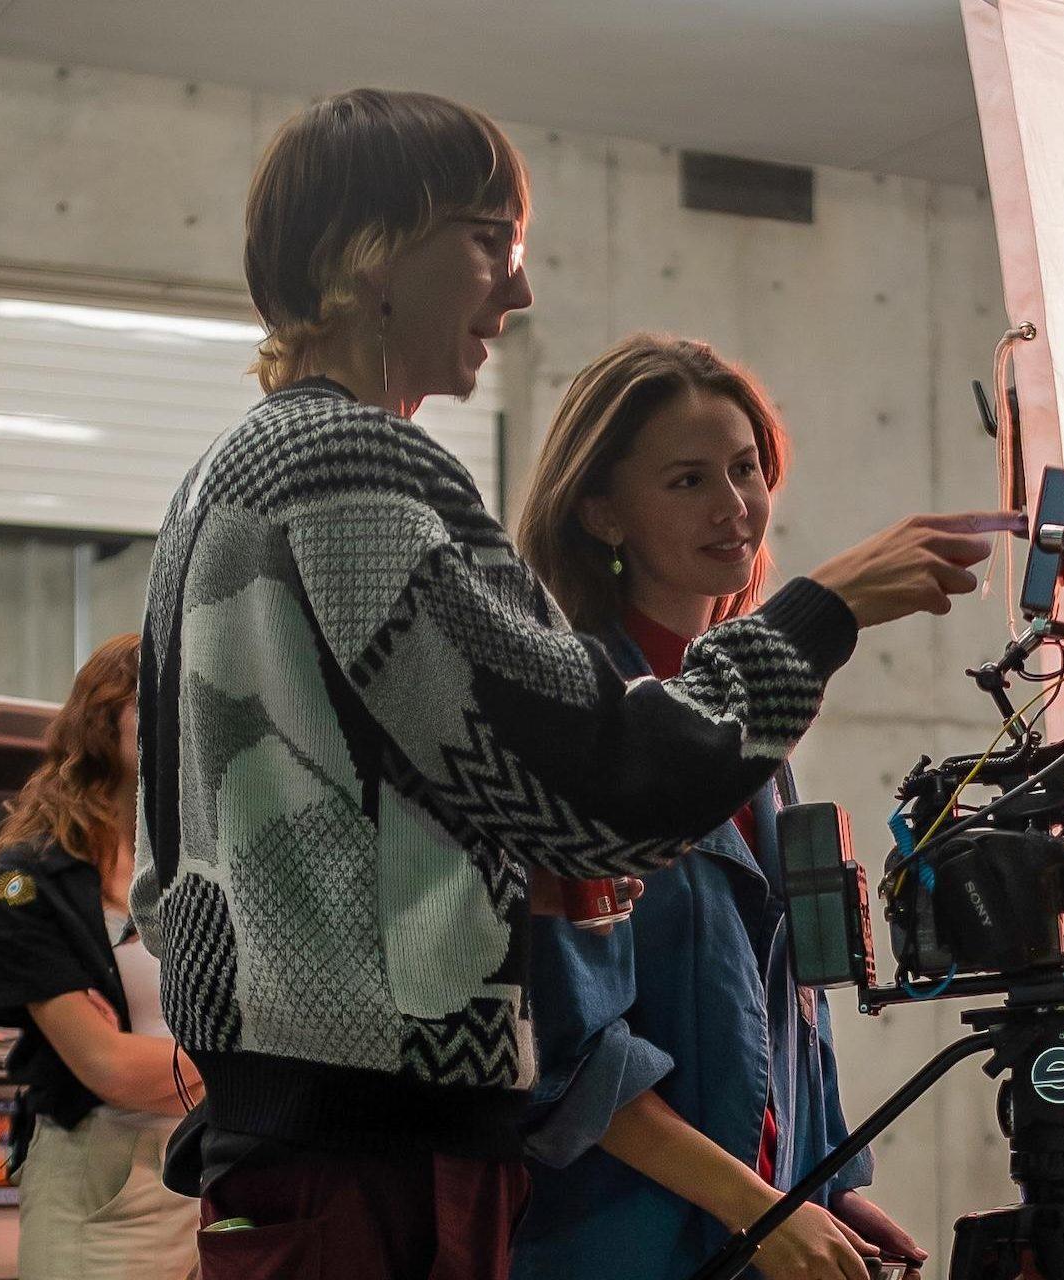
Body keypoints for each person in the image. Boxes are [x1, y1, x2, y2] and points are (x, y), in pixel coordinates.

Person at [130, 87, 1014, 1280]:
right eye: (491, 241)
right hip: (373, 1161)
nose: (519, 288)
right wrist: (825, 609)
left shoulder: (241, 467)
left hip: (324, 1144)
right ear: (371, 252)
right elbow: (605, 785)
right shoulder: (348, 462)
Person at [512, 334, 928, 1280]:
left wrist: (828, 1185)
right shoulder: (581, 731)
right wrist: (763, 1209)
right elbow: (571, 1055)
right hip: (617, 1243)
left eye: (746, 468)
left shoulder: (754, 733)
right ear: (601, 512)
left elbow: (792, 1008)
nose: (734, 506)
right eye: (688, 480)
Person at [0, 633, 200, 1280]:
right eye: (149, 695)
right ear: (100, 715)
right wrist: (249, 1058)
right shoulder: (25, 879)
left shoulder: (206, 862)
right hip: (108, 1183)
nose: (175, 710)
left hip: (219, 1172)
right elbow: (110, 1068)